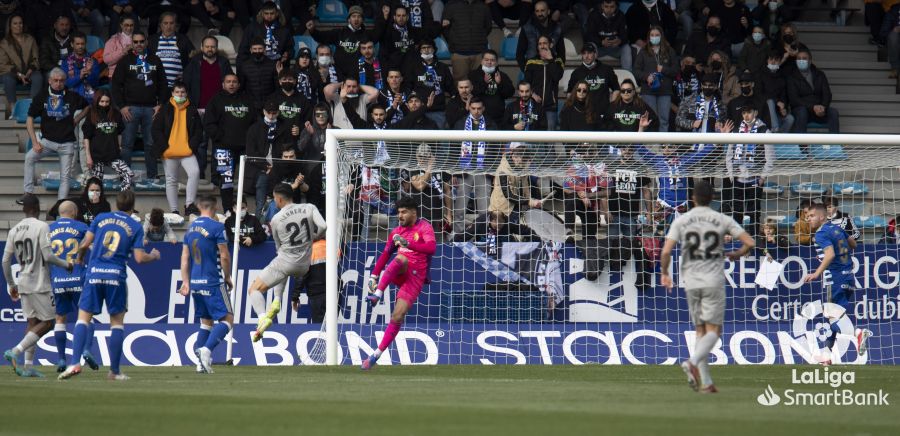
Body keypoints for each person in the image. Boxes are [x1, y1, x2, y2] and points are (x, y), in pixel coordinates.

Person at [660, 179, 755, 393]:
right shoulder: (721, 218)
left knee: (700, 330)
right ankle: (692, 362)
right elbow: (749, 242)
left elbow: (665, 252)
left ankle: (707, 382)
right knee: (714, 330)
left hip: (691, 281)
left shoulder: (682, 220)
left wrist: (665, 274)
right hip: (713, 279)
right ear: (712, 198)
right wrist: (735, 254)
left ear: (692, 198)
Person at [59, 191, 161, 381]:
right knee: (116, 323)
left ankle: (74, 363)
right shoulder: (134, 225)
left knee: (83, 319)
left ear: (116, 203)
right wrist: (154, 256)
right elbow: (139, 258)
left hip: (94, 273)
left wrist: (80, 258)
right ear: (132, 206)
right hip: (116, 276)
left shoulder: (100, 218)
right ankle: (114, 371)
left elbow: (85, 243)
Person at [362, 196, 436, 370]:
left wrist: (409, 244)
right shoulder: (396, 232)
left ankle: (375, 355)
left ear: (414, 213)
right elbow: (386, 254)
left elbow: (431, 248)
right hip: (399, 270)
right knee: (400, 258)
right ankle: (377, 294)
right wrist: (373, 276)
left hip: (415, 277)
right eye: (399, 213)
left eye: (404, 212)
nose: (400, 216)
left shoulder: (425, 227)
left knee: (397, 316)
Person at [3, 194, 73, 377]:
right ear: (37, 208)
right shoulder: (42, 227)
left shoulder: (14, 230)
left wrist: (11, 283)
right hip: (40, 282)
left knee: (33, 322)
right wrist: (67, 265)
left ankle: (27, 367)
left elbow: (5, 261)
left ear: (25, 209)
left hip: (23, 282)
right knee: (49, 322)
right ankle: (15, 351)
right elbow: (48, 256)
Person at [248, 184, 326, 342]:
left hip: (286, 261)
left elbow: (279, 248)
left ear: (280, 199)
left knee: (254, 289)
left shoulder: (276, 219)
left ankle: (263, 317)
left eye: (274, 198)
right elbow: (324, 226)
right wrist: (312, 238)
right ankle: (277, 300)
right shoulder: (309, 207)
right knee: (282, 268)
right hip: (304, 265)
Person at [803, 203, 873, 363]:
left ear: (822, 216)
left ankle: (858, 333)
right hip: (848, 277)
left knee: (831, 316)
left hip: (834, 279)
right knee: (834, 318)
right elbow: (854, 244)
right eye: (807, 217)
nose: (809, 219)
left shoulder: (820, 234)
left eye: (811, 216)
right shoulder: (837, 229)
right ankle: (827, 355)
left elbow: (829, 255)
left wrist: (816, 273)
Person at [179, 195, 234, 374]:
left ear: (199, 207)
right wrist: (227, 276)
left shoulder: (190, 229)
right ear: (215, 207)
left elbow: (185, 258)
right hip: (212, 281)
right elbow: (224, 256)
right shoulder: (217, 227)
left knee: (206, 322)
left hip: (195, 282)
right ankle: (206, 350)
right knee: (227, 319)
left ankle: (200, 364)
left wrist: (185, 281)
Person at [22, 68, 88, 204]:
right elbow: (29, 118)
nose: (59, 83)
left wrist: (77, 119)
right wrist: (35, 142)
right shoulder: (42, 96)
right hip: (47, 142)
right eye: (56, 81)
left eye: (62, 81)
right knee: (29, 157)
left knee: (65, 177)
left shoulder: (72, 96)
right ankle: (28, 193)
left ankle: (61, 205)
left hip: (67, 143)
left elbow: (88, 106)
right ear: (50, 81)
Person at [111, 30, 168, 181]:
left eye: (141, 41)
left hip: (151, 109)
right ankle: (125, 176)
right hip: (130, 108)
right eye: (135, 42)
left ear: (146, 42)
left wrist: (160, 104)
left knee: (150, 144)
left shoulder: (155, 60)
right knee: (127, 144)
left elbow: (163, 84)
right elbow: (116, 85)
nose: (138, 44)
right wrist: (122, 106)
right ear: (132, 44)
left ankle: (152, 177)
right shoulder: (125, 61)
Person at [48, 200, 98, 374]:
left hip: (58, 280)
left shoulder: (49, 229)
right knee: (85, 317)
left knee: (60, 319)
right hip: (77, 278)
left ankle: (61, 358)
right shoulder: (81, 227)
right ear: (75, 212)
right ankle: (86, 350)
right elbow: (94, 245)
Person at [204, 73, 255, 213]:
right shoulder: (215, 100)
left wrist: (250, 140)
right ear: (223, 84)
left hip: (245, 147)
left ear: (238, 84)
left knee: (247, 180)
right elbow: (209, 123)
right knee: (226, 181)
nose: (231, 84)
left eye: (234, 82)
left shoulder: (247, 100)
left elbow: (255, 122)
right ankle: (227, 209)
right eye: (228, 82)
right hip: (223, 147)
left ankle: (242, 208)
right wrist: (220, 137)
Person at [153, 81, 203, 216]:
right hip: (169, 153)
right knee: (171, 180)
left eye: (182, 92)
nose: (180, 94)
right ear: (172, 93)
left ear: (186, 93)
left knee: (195, 172)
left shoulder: (192, 109)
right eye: (177, 92)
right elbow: (156, 129)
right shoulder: (165, 109)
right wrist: (164, 148)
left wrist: (191, 147)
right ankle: (174, 210)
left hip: (187, 152)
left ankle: (189, 205)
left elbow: (199, 130)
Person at [724, 103, 773, 236]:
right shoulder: (735, 131)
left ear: (755, 113)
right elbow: (729, 155)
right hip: (738, 179)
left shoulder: (764, 131)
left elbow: (770, 158)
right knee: (737, 213)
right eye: (744, 113)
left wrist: (762, 177)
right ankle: (737, 240)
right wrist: (731, 175)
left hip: (755, 179)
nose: (746, 115)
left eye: (749, 112)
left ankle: (754, 240)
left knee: (754, 213)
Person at [82, 89, 134, 191]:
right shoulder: (92, 113)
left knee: (128, 174)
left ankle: (122, 200)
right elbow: (86, 137)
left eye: (107, 102)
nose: (104, 104)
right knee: (96, 185)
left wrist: (119, 146)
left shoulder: (115, 113)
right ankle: (96, 203)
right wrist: (88, 156)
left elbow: (119, 132)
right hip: (97, 154)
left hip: (112, 153)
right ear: (97, 101)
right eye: (102, 101)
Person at [633, 25, 677, 132]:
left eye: (657, 35)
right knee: (650, 120)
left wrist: (663, 69)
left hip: (665, 91)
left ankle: (662, 146)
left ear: (661, 36)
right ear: (648, 37)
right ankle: (651, 146)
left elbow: (676, 70)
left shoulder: (669, 51)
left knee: (664, 120)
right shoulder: (643, 51)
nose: (654, 37)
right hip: (648, 91)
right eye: (652, 35)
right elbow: (636, 70)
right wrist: (646, 77)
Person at [307, 5, 368, 79]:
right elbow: (322, 37)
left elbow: (379, 33)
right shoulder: (339, 32)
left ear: (362, 20)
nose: (356, 19)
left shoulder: (366, 35)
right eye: (353, 16)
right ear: (349, 19)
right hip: (339, 74)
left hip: (358, 75)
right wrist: (313, 30)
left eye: (359, 16)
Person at [787, 49, 839, 134]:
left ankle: (835, 144)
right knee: (802, 112)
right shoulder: (791, 77)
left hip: (819, 111)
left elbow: (827, 94)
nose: (801, 61)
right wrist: (812, 107)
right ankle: (802, 146)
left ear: (810, 61)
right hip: (801, 111)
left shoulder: (819, 74)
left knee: (833, 112)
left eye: (804, 58)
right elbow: (794, 99)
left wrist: (823, 107)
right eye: (799, 58)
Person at [405, 39, 454, 128]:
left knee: (437, 139)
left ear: (434, 49)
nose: (426, 50)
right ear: (420, 51)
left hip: (437, 111)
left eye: (429, 47)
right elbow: (408, 86)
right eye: (423, 48)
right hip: (419, 111)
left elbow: (451, 88)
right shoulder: (414, 67)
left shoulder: (443, 68)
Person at [441, 0, 492, 82]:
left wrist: (478, 39)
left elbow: (488, 27)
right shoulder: (450, 6)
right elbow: (445, 28)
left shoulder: (483, 6)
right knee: (460, 84)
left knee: (480, 83)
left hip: (479, 53)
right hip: (459, 53)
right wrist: (454, 42)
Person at [1, 13, 41, 117]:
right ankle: (14, 109)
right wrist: (19, 74)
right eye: (15, 24)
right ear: (10, 26)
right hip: (12, 72)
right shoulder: (4, 43)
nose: (18, 26)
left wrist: (31, 69)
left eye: (20, 23)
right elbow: (3, 64)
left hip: (29, 71)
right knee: (7, 79)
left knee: (38, 77)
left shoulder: (30, 39)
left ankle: (31, 108)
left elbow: (36, 58)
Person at [567, 42, 619, 121]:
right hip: (583, 114)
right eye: (584, 53)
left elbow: (616, 89)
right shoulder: (576, 73)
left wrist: (611, 107)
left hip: (603, 113)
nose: (586, 56)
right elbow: (570, 93)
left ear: (595, 54)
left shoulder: (607, 70)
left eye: (589, 53)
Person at [523, 35, 564, 130]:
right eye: (540, 44)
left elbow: (557, 76)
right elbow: (526, 82)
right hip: (534, 104)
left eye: (545, 43)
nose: (542, 46)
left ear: (551, 45)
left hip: (551, 105)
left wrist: (550, 60)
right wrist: (532, 94)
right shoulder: (531, 61)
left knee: (550, 136)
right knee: (533, 133)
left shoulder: (557, 60)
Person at [148, 11, 195, 90]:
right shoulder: (152, 40)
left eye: (171, 23)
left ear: (176, 25)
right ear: (160, 25)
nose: (168, 26)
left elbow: (194, 58)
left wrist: (186, 74)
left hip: (177, 88)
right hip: (157, 86)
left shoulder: (183, 39)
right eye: (165, 23)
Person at [516, 1, 565, 71]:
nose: (539, 14)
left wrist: (558, 71)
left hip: (551, 70)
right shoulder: (527, 28)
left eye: (542, 10)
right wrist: (526, 71)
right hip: (532, 70)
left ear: (548, 11)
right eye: (537, 11)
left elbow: (561, 53)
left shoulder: (556, 28)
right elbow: (519, 54)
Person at [468, 49, 513, 125]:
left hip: (498, 118)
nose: (489, 62)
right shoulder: (473, 75)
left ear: (496, 62)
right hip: (477, 116)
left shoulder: (502, 76)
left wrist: (499, 83)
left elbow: (509, 93)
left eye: (492, 60)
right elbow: (472, 93)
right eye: (486, 60)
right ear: (481, 61)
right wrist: (484, 83)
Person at [585, 0, 632, 71]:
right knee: (590, 47)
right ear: (602, 6)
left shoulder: (620, 15)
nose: (609, 9)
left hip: (615, 48)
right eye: (606, 6)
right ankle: (590, 74)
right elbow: (589, 35)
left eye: (612, 7)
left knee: (626, 48)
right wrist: (601, 42)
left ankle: (627, 75)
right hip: (599, 48)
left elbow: (625, 34)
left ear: (616, 6)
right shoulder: (594, 15)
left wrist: (620, 41)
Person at [291, 239, 327, 323]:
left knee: (319, 326)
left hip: (317, 295)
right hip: (335, 293)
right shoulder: (332, 245)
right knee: (332, 326)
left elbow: (301, 276)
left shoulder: (308, 250)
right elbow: (344, 251)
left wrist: (295, 297)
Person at [237, 37, 277, 104]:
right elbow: (241, 87)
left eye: (260, 48)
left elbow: (276, 86)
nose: (257, 51)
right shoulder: (244, 65)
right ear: (251, 50)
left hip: (269, 103)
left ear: (264, 50)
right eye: (255, 49)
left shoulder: (273, 64)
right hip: (250, 103)